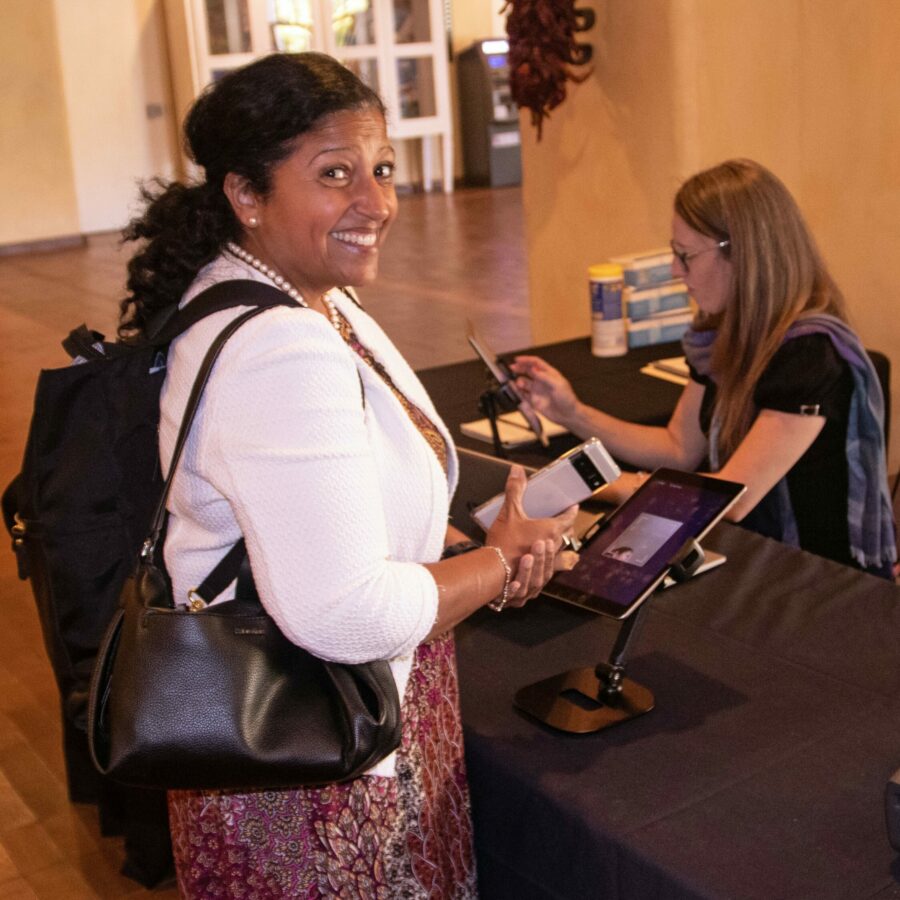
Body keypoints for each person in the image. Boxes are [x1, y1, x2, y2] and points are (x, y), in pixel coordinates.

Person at [118, 52, 577, 898]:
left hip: (342, 728)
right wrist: (500, 562)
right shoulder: (280, 347)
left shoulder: (309, 299)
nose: (377, 203)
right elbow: (341, 613)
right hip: (314, 772)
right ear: (245, 195)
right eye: (335, 174)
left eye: (383, 169)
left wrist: (465, 543)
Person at [512, 159, 896, 579]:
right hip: (757, 554)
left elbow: (733, 498)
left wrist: (598, 484)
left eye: (685, 255)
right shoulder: (721, 334)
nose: (676, 271)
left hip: (814, 574)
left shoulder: (810, 355)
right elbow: (679, 446)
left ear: (742, 254)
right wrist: (572, 412)